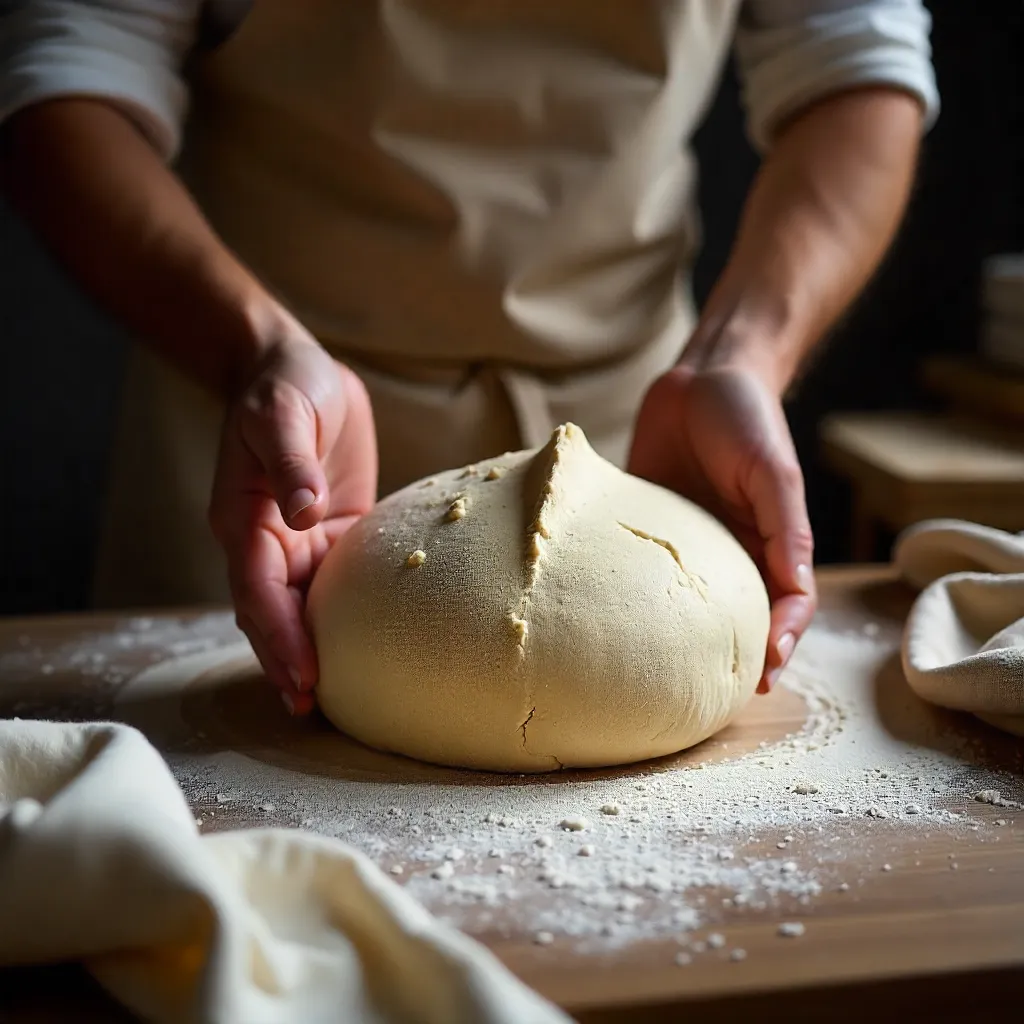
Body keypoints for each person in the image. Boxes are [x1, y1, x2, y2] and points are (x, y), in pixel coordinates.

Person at [0, 1, 938, 716]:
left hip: (644, 432)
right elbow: (72, 62)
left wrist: (743, 352)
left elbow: (852, 60)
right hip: (281, 444)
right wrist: (257, 347)